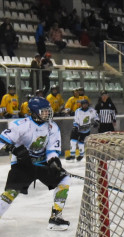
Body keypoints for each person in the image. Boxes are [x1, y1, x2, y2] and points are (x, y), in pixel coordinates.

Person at [0, 96, 72, 230]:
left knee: (65, 179)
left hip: (41, 163)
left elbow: (52, 150)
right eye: (43, 111)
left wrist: (54, 162)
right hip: (23, 165)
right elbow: (2, 141)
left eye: (48, 110)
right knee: (11, 192)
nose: (47, 113)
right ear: (34, 112)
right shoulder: (20, 125)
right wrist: (14, 149)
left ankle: (56, 217)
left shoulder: (52, 127)